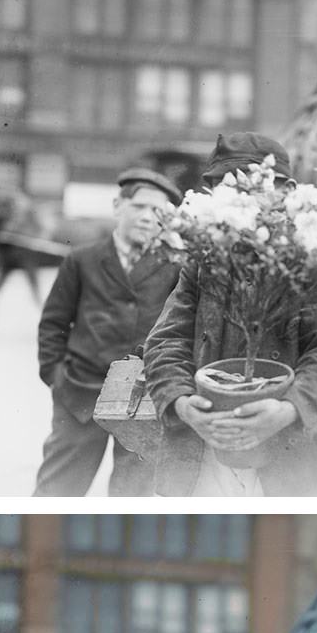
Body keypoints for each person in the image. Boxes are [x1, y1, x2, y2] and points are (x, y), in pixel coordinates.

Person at [143, 132, 317, 496]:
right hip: (204, 447)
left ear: (285, 190)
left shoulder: (310, 260)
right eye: (226, 189)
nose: (238, 200)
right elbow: (166, 340)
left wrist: (289, 409)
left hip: (289, 452)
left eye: (250, 186)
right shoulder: (204, 257)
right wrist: (182, 404)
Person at [34, 168, 183, 496]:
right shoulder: (82, 260)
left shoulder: (175, 267)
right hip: (80, 396)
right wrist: (56, 378)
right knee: (57, 491)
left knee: (133, 498)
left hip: (142, 403)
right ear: (118, 206)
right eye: (139, 206)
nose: (147, 218)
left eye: (158, 211)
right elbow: (53, 324)